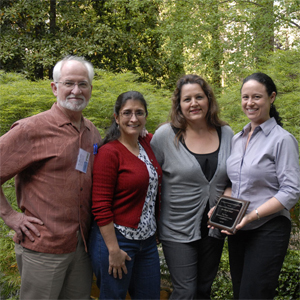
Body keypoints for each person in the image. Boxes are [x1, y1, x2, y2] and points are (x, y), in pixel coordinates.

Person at [0, 55, 101, 299]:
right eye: (69, 83)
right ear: (55, 87)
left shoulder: (92, 132)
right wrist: (10, 215)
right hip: (42, 247)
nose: (76, 90)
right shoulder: (30, 130)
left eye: (83, 84)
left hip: (82, 247)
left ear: (90, 89)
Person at [150, 74, 234, 300]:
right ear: (179, 105)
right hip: (176, 227)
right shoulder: (166, 136)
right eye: (187, 99)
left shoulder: (226, 134)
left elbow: (234, 180)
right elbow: (150, 178)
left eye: (199, 97)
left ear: (209, 99)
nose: (194, 103)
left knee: (203, 290)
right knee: (185, 291)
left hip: (215, 226)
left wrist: (224, 206)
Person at [224, 72, 300, 299]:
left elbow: (291, 192)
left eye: (256, 97)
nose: (250, 103)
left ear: (272, 97)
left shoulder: (282, 140)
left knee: (254, 295)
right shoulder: (237, 139)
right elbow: (233, 184)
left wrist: (252, 215)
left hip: (269, 228)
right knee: (240, 293)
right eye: (245, 97)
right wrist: (222, 210)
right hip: (238, 229)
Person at [90, 91, 162, 299]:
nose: (133, 118)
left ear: (146, 117)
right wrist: (113, 250)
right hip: (118, 241)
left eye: (139, 113)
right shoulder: (109, 153)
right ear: (116, 117)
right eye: (127, 113)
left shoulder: (146, 144)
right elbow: (100, 205)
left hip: (147, 243)